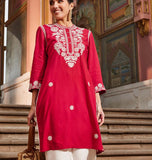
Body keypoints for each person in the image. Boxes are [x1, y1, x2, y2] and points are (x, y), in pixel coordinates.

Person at [27, 0, 106, 159]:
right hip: (53, 100)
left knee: (83, 153)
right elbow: (37, 69)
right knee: (57, 152)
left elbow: (94, 71)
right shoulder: (44, 31)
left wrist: (98, 105)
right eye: (51, 2)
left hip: (83, 101)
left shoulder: (87, 35)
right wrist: (33, 105)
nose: (55, 6)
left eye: (60, 1)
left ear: (72, 4)